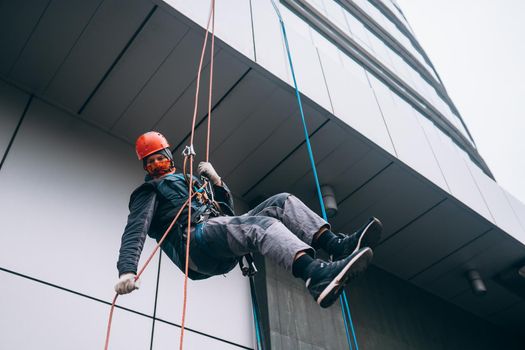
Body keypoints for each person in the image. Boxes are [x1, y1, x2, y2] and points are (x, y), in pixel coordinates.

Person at [115, 131, 382, 308]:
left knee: (282, 201)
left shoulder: (190, 181)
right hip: (194, 243)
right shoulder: (148, 191)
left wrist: (217, 181)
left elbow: (227, 213)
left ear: (170, 159)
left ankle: (337, 245)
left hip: (214, 235)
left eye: (160, 161)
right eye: (150, 165)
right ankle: (315, 274)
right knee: (260, 226)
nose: (156, 168)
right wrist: (127, 269)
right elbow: (135, 229)